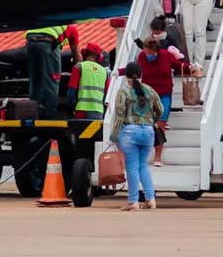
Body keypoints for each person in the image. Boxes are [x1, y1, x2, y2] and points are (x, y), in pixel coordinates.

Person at [118, 37, 193, 166]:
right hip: (147, 95)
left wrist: (191, 67)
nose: (149, 56)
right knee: (145, 123)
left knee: (160, 125)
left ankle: (158, 157)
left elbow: (179, 66)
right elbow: (132, 69)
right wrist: (118, 72)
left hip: (164, 95)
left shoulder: (166, 55)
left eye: (151, 54)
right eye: (147, 53)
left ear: (156, 50)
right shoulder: (142, 57)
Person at [110, 61, 163, 211]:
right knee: (143, 166)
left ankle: (133, 201)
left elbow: (119, 116)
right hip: (148, 131)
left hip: (130, 132)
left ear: (126, 77)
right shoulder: (150, 90)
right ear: (141, 75)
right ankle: (151, 199)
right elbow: (160, 108)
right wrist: (152, 120)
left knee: (132, 167)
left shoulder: (124, 92)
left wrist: (113, 137)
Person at [25, 24, 81, 119]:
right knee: (52, 80)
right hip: (48, 42)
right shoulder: (71, 28)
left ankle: (34, 112)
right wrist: (80, 69)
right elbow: (76, 52)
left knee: (35, 80)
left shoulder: (52, 22)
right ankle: (50, 114)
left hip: (30, 42)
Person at [66, 42, 109, 120]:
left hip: (82, 110)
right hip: (98, 111)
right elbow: (107, 95)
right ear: (98, 57)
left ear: (85, 53)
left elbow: (71, 91)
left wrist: (69, 108)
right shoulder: (104, 72)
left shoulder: (79, 67)